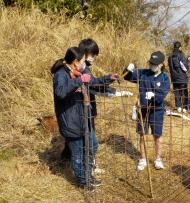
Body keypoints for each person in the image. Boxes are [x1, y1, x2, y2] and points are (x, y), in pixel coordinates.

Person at [51, 46, 118, 189]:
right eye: (82, 61)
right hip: (70, 122)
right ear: (75, 61)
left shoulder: (78, 72)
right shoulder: (61, 74)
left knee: (92, 145)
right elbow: (60, 92)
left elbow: (93, 82)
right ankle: (83, 181)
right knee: (77, 153)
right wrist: (79, 80)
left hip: (83, 119)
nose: (84, 64)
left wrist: (108, 78)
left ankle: (88, 174)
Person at [124, 51, 170, 171]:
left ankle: (158, 159)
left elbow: (162, 96)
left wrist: (154, 95)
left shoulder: (165, 78)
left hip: (157, 110)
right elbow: (126, 76)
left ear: (161, 64)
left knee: (157, 135)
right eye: (151, 63)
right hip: (143, 110)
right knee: (142, 135)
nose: (152, 66)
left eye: (155, 64)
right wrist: (128, 69)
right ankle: (143, 159)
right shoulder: (143, 73)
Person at [168, 41, 189, 113]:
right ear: (180, 47)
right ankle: (185, 107)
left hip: (174, 78)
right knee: (184, 92)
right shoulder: (182, 55)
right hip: (182, 78)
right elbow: (185, 67)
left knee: (176, 92)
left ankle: (178, 107)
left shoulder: (170, 56)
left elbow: (170, 68)